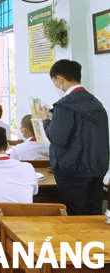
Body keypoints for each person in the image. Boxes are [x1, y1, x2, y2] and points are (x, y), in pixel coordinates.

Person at [37, 59, 109, 215]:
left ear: (59, 79)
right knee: (93, 215)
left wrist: (46, 120)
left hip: (72, 172)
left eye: (54, 81)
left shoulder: (65, 105)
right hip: (97, 169)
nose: (55, 86)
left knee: (74, 217)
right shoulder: (96, 103)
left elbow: (57, 138)